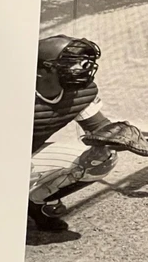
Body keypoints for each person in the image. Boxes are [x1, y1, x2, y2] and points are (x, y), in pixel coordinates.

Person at [29, 35, 126, 232]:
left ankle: (34, 204)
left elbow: (98, 127)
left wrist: (119, 136)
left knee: (103, 157)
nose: (81, 69)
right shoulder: (12, 92)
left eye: (83, 63)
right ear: (42, 69)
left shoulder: (81, 92)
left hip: (29, 155)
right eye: (70, 64)